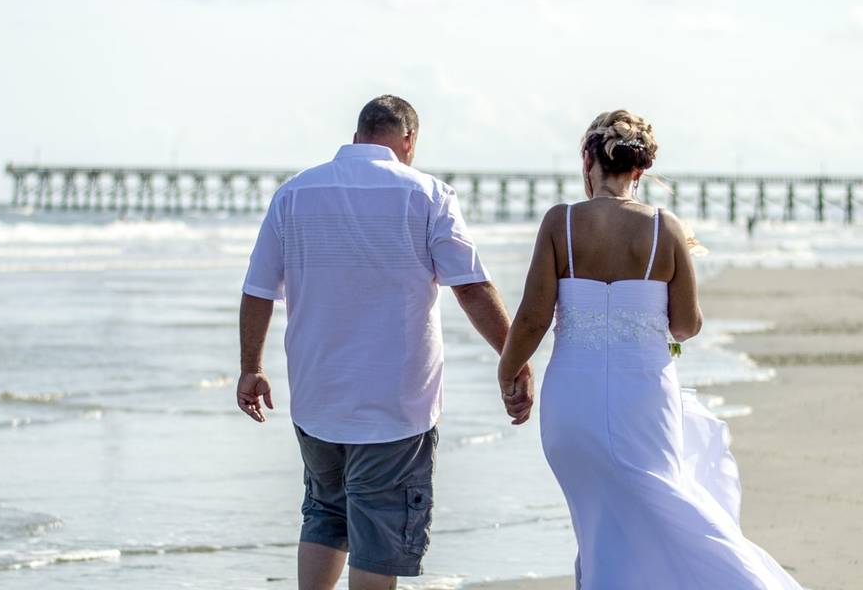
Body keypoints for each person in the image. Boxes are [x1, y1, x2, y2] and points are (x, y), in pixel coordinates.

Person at [236, 95, 533, 590]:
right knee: (379, 532)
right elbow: (470, 287)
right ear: (409, 141)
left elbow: (258, 289)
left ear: (356, 137)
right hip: (394, 407)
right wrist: (514, 358)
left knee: (324, 513)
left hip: (316, 399)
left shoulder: (294, 193)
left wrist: (251, 366)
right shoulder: (428, 194)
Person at [497, 110, 803, 589]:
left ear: (587, 159)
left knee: (598, 519)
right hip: (644, 399)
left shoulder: (561, 222)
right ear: (639, 171)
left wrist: (509, 373)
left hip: (572, 402)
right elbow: (686, 325)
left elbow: (534, 318)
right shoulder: (666, 227)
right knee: (659, 499)